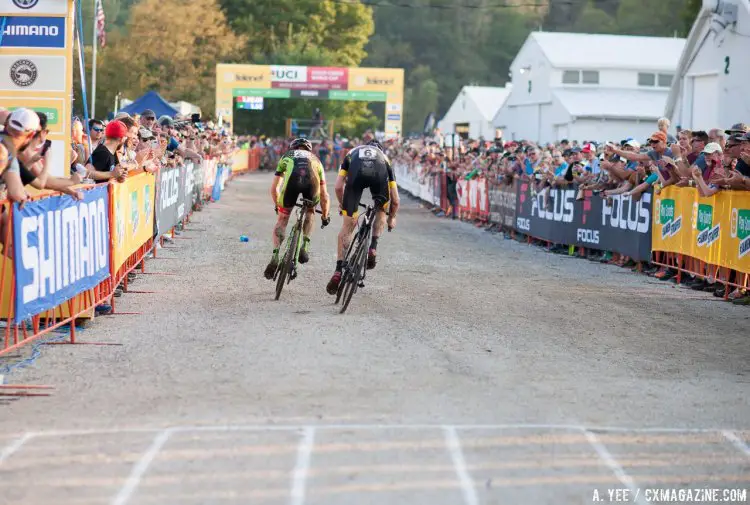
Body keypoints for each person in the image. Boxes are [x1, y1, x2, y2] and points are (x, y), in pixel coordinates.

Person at [326, 139, 400, 295]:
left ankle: (338, 270)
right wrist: (391, 217)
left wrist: (342, 204)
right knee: (380, 211)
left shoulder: (351, 153)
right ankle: (373, 246)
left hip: (356, 177)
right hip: (379, 176)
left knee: (347, 227)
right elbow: (396, 199)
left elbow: (339, 186)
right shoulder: (384, 157)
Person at [264, 138, 331, 280]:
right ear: (309, 150)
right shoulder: (316, 160)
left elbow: (274, 188)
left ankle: (275, 255)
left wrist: (278, 206)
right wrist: (325, 216)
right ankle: (304, 246)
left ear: (293, 147)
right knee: (310, 211)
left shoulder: (287, 156)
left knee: (282, 220)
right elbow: (325, 195)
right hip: (311, 183)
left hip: (291, 185)